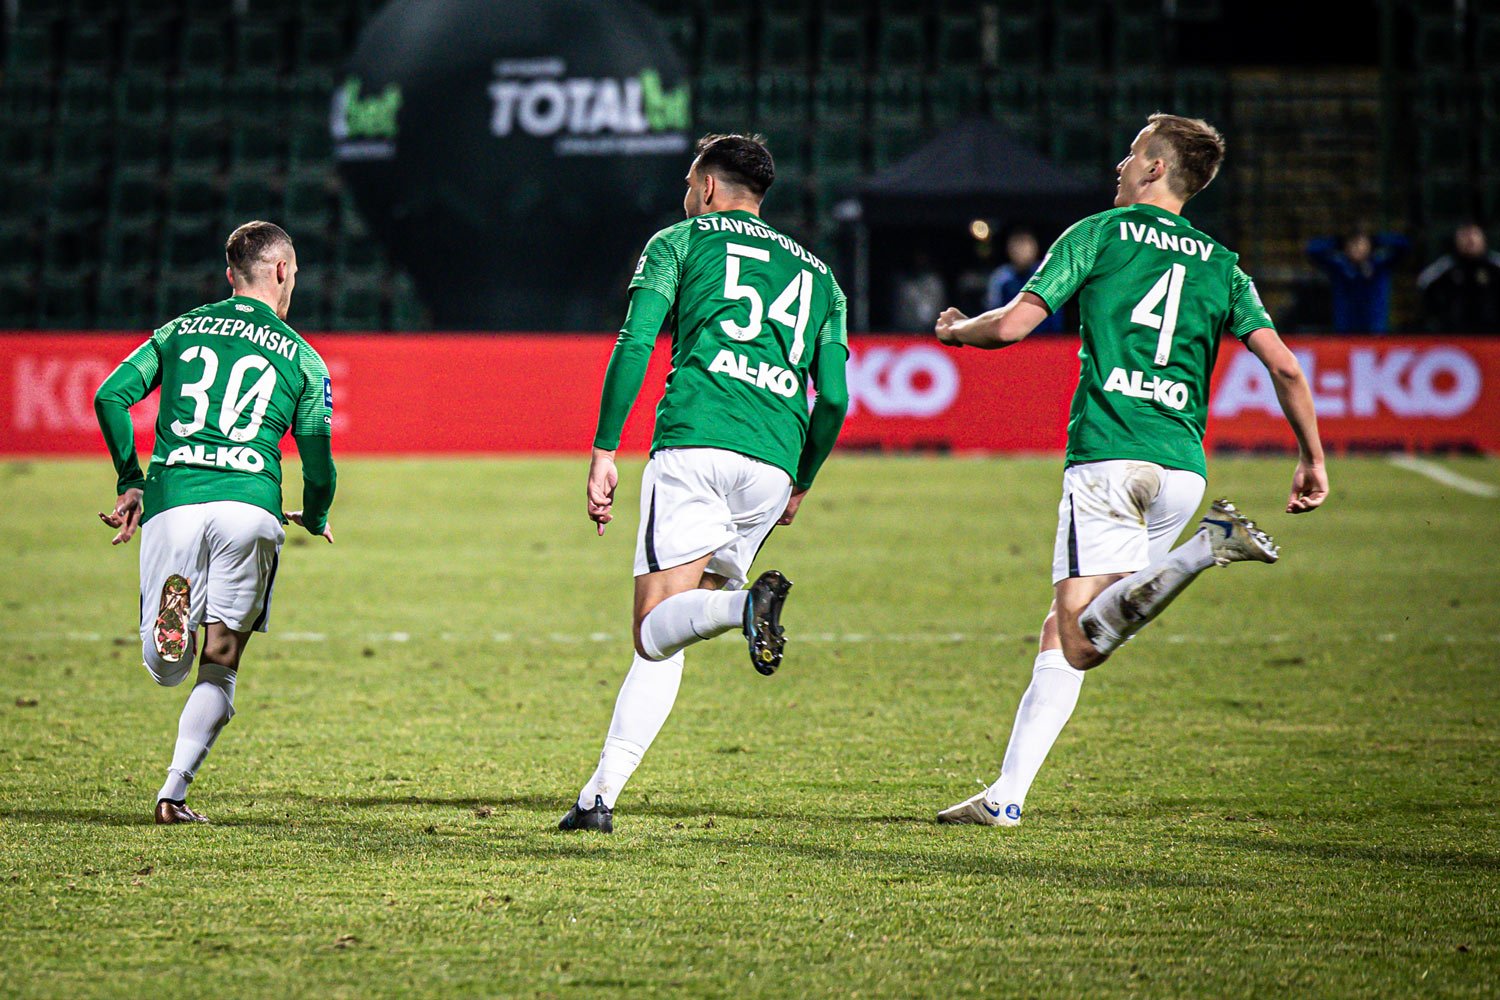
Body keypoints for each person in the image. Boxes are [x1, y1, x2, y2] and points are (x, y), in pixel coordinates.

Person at [930, 114, 1329, 827]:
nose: (1118, 164)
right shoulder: (1222, 264)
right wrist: (1312, 456)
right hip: (1180, 467)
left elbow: (1016, 325)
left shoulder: (1098, 234)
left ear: (1152, 168)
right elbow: (1286, 365)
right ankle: (1005, 797)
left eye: (1132, 154)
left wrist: (957, 331)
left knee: (1080, 638)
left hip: (1111, 458)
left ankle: (1208, 547)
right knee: (1073, 632)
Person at [561, 134, 851, 834]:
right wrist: (802, 482)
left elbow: (637, 341)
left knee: (653, 629)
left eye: (691, 182)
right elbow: (836, 395)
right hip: (773, 461)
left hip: (697, 443)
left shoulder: (680, 241)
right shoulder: (820, 276)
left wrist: (605, 448)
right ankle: (599, 797)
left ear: (711, 188)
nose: (686, 194)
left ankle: (745, 608)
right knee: (672, 632)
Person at [93, 221, 336, 824]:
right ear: (281, 270)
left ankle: (169, 627)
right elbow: (319, 463)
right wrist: (319, 513)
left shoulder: (179, 330)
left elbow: (109, 396)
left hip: (172, 499)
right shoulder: (305, 359)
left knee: (164, 666)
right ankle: (172, 793)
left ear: (231, 276)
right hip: (250, 509)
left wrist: (131, 480)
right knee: (221, 663)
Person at [1305, 228, 1408, 333]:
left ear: (1369, 246)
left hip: (1375, 330)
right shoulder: (1339, 266)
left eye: (1361, 244)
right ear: (1346, 248)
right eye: (1353, 244)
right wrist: (1338, 241)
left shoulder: (1380, 265)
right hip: (1344, 330)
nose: (1357, 248)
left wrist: (1377, 239)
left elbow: (1404, 245)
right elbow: (1312, 249)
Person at [1418, 222, 1500, 333]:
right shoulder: (1446, 265)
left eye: (1475, 234)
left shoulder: (1494, 264)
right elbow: (1423, 283)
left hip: (1492, 334)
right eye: (1464, 235)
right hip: (1455, 334)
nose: (1470, 240)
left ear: (1483, 239)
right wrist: (1439, 318)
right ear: (1456, 240)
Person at [985, 229, 1064, 332]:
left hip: (1045, 340)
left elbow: (1056, 314)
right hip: (1011, 340)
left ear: (1035, 249)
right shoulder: (1000, 277)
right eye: (1017, 247)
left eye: (1026, 247)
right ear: (1009, 250)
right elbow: (993, 312)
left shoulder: (1047, 274)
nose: (1021, 252)